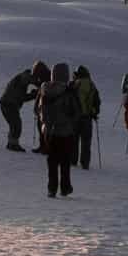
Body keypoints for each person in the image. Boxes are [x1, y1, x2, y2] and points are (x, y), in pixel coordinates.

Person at [37, 63, 82, 198]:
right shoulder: (68, 92)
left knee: (52, 161)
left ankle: (52, 188)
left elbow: (38, 111)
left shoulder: (44, 90)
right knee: (65, 161)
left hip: (49, 132)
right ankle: (65, 187)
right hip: (65, 132)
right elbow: (77, 112)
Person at [0, 65, 39, 152]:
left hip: (6, 104)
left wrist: (33, 93)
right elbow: (22, 97)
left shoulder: (20, 79)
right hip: (9, 105)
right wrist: (33, 95)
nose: (33, 82)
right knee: (16, 125)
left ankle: (11, 143)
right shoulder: (22, 81)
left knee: (14, 124)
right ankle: (13, 144)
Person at [72, 64, 101, 170]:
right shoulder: (92, 85)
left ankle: (73, 161)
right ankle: (85, 163)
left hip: (75, 118)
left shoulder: (75, 84)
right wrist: (94, 112)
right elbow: (97, 102)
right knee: (86, 142)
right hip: (87, 118)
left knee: (74, 140)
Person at [29, 60, 52, 152]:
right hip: (44, 108)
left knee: (43, 127)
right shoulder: (47, 76)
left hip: (45, 108)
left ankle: (45, 147)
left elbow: (42, 93)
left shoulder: (46, 79)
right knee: (42, 127)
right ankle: (43, 147)